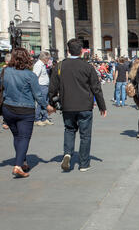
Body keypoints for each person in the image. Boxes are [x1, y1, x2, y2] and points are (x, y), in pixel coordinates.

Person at [49, 39, 107, 172]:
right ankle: (83, 163)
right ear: (82, 51)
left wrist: (51, 103)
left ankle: (68, 153)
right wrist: (102, 106)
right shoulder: (88, 67)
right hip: (85, 106)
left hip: (67, 105)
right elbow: (96, 88)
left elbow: (52, 88)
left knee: (69, 130)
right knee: (85, 135)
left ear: (68, 51)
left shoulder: (59, 66)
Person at [1, 48, 53, 178]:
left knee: (17, 136)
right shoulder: (30, 75)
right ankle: (18, 166)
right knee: (24, 137)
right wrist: (46, 106)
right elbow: (38, 95)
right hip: (25, 110)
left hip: (8, 108)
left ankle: (22, 161)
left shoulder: (5, 71)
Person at [33, 51, 53, 127]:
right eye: (48, 58)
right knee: (40, 103)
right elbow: (35, 76)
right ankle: (37, 119)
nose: (48, 60)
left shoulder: (42, 65)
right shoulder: (38, 65)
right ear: (44, 58)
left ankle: (44, 118)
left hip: (45, 86)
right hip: (41, 86)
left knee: (45, 102)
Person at [2, 53, 11, 130]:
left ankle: (6, 122)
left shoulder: (2, 70)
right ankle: (6, 121)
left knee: (6, 106)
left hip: (5, 91)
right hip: (7, 91)